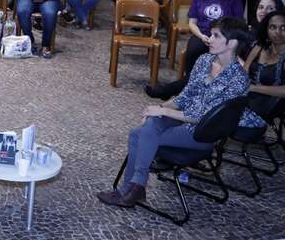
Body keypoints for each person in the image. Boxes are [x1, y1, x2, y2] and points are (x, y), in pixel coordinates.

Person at [97, 16, 265, 208]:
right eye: (211, 34)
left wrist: (163, 111)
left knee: (139, 134)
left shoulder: (238, 79)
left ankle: (131, 189)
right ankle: (134, 189)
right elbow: (184, 98)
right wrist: (161, 109)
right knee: (150, 124)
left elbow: (205, 118)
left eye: (216, 35)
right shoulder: (204, 60)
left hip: (203, 134)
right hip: (182, 121)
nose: (209, 38)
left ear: (232, 42)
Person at [145, 0, 244, 99]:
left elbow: (238, 24)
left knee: (201, 70)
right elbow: (192, 23)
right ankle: (188, 85)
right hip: (202, 34)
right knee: (193, 50)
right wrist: (202, 36)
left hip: (223, 40)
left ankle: (170, 90)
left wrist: (221, 38)